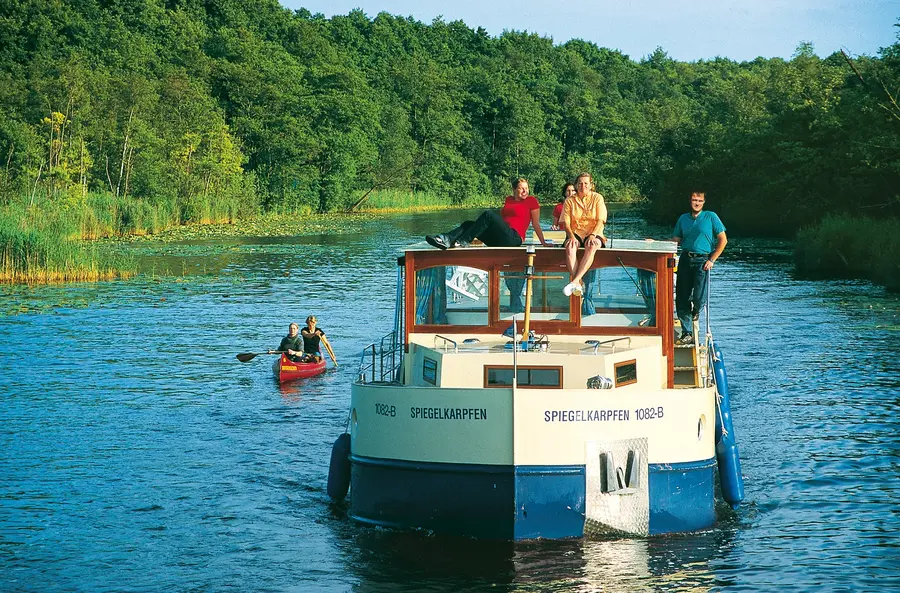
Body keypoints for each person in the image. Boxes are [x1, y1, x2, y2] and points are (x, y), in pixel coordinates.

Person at [425, 178, 550, 249]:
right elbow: (500, 222)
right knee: (468, 224)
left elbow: (536, 224)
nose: (525, 190)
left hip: (514, 238)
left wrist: (543, 243)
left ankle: (462, 242)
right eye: (521, 188)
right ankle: (445, 239)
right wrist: (475, 232)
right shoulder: (508, 200)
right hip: (499, 238)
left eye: (526, 188)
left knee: (489, 214)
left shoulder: (531, 201)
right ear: (514, 189)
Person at [672, 191, 727, 346]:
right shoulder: (683, 219)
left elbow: (723, 240)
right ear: (689, 201)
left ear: (704, 202)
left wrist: (712, 259)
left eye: (699, 200)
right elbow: (675, 240)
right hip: (685, 259)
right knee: (682, 297)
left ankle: (696, 310)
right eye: (694, 200)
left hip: (703, 260)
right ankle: (687, 332)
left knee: (699, 296)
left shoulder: (711, 217)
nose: (696, 203)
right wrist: (655, 244)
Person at [561, 172, 607, 297]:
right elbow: (566, 223)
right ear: (576, 185)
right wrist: (570, 236)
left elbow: (600, 220)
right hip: (575, 232)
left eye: (586, 183)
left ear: (591, 185)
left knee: (592, 246)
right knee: (570, 247)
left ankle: (575, 281)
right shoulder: (569, 201)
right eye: (580, 183)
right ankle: (579, 283)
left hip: (594, 232)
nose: (583, 186)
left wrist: (592, 235)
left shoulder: (598, 198)